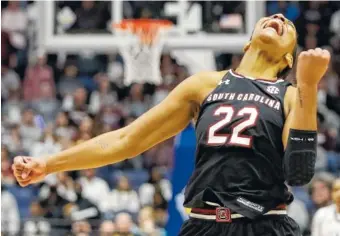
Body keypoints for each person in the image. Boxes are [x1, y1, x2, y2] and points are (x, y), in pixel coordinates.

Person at [12, 14, 330, 236]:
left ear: (290, 58)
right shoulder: (203, 85)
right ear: (247, 43)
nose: (278, 20)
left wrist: (308, 86)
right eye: (270, 19)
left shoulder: (290, 95)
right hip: (204, 224)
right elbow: (127, 139)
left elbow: (299, 174)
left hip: (265, 225)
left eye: (286, 25)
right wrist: (48, 164)